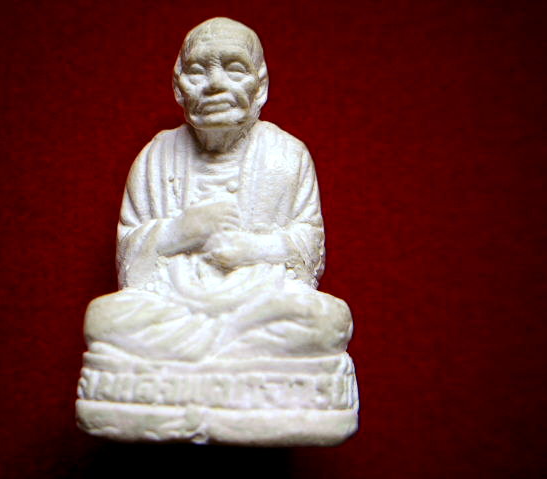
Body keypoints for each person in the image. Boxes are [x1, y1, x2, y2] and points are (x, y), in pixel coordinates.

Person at [84, 17, 352, 361]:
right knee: (104, 319)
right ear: (178, 87)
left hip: (260, 301)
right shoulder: (155, 156)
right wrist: (180, 231)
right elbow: (129, 260)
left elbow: (309, 245)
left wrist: (253, 248)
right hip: (174, 302)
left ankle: (205, 354)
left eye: (235, 69)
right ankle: (230, 353)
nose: (214, 84)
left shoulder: (287, 154)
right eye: (197, 72)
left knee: (329, 320)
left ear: (260, 85)